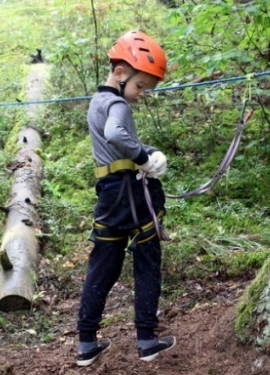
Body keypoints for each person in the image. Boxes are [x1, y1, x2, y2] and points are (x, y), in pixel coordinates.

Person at [76, 30, 175, 367]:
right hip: (129, 194)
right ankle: (147, 340)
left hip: (108, 195)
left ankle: (86, 343)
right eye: (140, 86)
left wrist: (146, 151)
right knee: (147, 259)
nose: (142, 94)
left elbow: (111, 146)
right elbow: (116, 135)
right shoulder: (117, 103)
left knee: (103, 265)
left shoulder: (98, 101)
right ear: (120, 74)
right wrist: (144, 159)